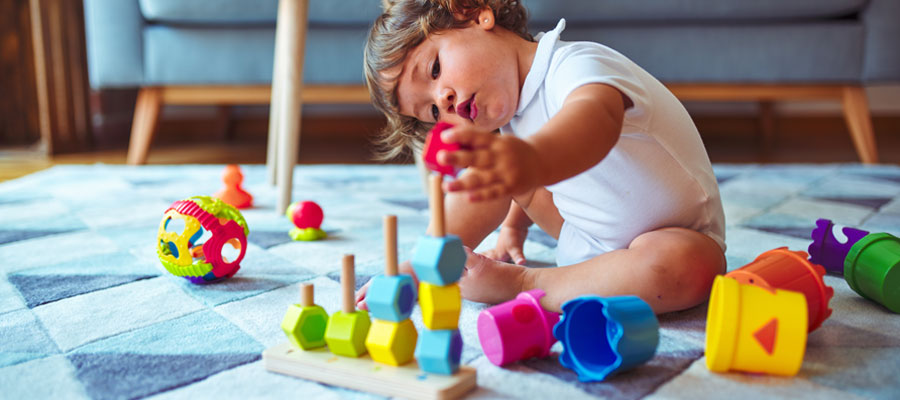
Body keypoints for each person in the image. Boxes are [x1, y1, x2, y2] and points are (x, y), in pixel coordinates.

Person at [358, 0, 726, 314]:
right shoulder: (512, 125)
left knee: (689, 266)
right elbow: (502, 185)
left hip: (676, 237)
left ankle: (526, 284)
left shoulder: (575, 64)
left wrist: (529, 159)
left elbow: (596, 121)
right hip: (587, 245)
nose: (443, 101)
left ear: (475, 14)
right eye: (433, 113)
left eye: (435, 69)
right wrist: (507, 228)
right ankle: (427, 261)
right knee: (493, 173)